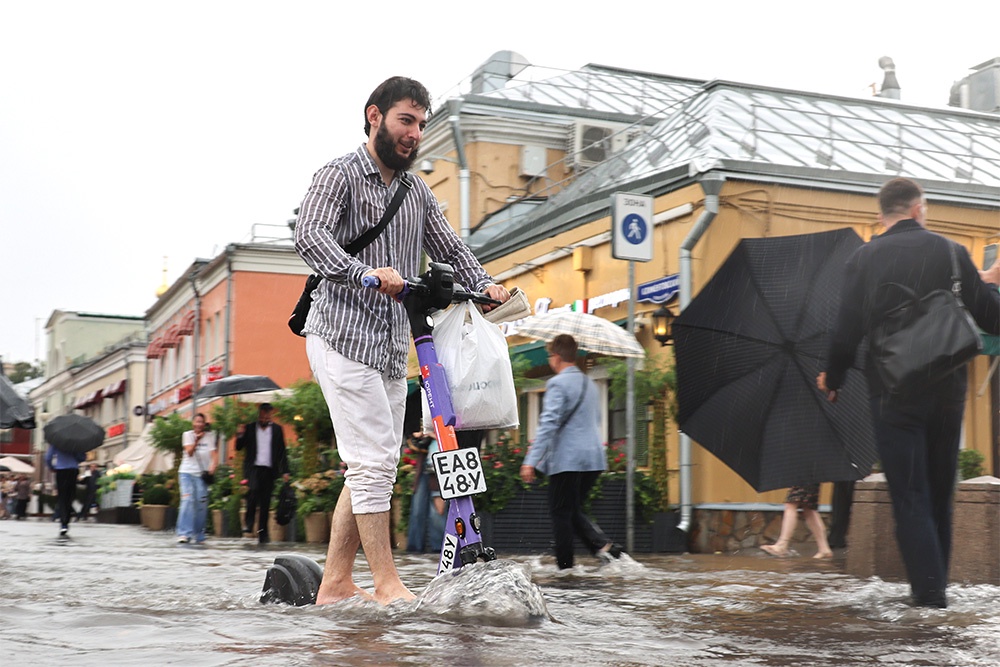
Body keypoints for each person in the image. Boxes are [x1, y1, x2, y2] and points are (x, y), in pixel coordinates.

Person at [294, 76, 510, 605]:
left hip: (394, 345)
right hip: (341, 334)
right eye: (405, 121)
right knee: (370, 462)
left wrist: (485, 284)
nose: (414, 133)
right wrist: (364, 272)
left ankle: (336, 584)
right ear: (375, 117)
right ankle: (388, 584)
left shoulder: (416, 192)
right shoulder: (339, 175)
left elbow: (450, 247)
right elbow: (309, 235)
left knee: (376, 464)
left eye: (420, 124)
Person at [818, 177, 1000, 608]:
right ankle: (936, 592)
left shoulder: (865, 259)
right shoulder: (953, 253)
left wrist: (835, 376)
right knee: (941, 491)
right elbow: (992, 318)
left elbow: (847, 329)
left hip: (893, 388)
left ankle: (929, 595)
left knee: (910, 493)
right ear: (918, 208)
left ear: (884, 215)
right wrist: (989, 283)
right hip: (947, 386)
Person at [519, 334, 623, 569]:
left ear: (556, 357)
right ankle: (604, 549)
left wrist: (530, 460)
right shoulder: (591, 384)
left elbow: (549, 423)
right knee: (571, 509)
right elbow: (594, 420)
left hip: (568, 460)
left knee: (561, 514)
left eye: (550, 356)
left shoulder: (558, 383)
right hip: (593, 459)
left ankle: (565, 568)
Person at [235, 403, 288, 544]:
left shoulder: (277, 430)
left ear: (271, 415)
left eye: (267, 415)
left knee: (266, 501)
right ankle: (248, 523)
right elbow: (239, 447)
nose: (265, 418)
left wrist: (285, 471)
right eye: (262, 415)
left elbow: (282, 451)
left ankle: (262, 533)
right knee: (253, 492)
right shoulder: (250, 428)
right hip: (253, 468)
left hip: (269, 469)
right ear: (259, 414)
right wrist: (240, 434)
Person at [760, 484, 833, 559]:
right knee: (809, 508)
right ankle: (824, 548)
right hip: (809, 476)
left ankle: (782, 545)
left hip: (804, 477)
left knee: (791, 504)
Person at [177, 413, 218, 544]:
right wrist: (197, 440)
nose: (199, 424)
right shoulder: (187, 435)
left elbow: (214, 454)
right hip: (186, 473)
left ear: (204, 424)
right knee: (187, 500)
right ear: (193, 423)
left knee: (201, 504)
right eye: (197, 422)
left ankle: (199, 534)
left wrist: (213, 466)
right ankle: (184, 533)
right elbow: (189, 452)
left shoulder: (210, 436)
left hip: (201, 475)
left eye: (201, 422)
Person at [405, 432, 446, 554]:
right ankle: (414, 548)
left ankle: (439, 549)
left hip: (441, 468)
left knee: (437, 512)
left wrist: (435, 435)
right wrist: (420, 436)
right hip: (425, 464)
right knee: (417, 510)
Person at [45, 444, 85, 536]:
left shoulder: (56, 442)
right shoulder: (77, 443)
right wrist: (75, 453)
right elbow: (82, 458)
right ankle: (66, 519)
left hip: (61, 470)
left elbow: (48, 457)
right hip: (73, 470)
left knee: (62, 496)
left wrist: (51, 467)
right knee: (70, 495)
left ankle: (64, 523)